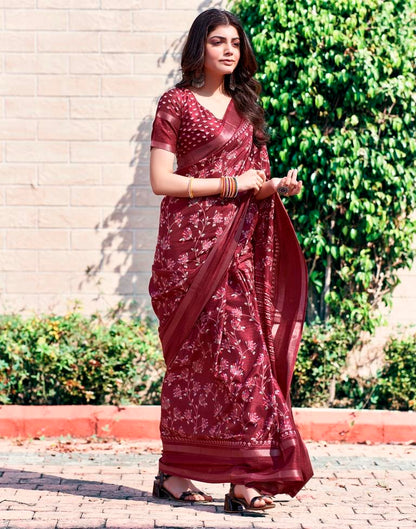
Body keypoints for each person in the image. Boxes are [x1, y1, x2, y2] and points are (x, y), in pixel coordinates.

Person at [148, 8, 313, 513]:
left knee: (246, 357)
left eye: (235, 43)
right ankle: (176, 473)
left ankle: (247, 476)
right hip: (188, 254)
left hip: (237, 251)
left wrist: (274, 185)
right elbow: (162, 180)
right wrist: (227, 185)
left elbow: (253, 180)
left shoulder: (246, 106)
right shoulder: (175, 103)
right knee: (195, 361)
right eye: (217, 41)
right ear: (199, 47)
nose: (228, 50)